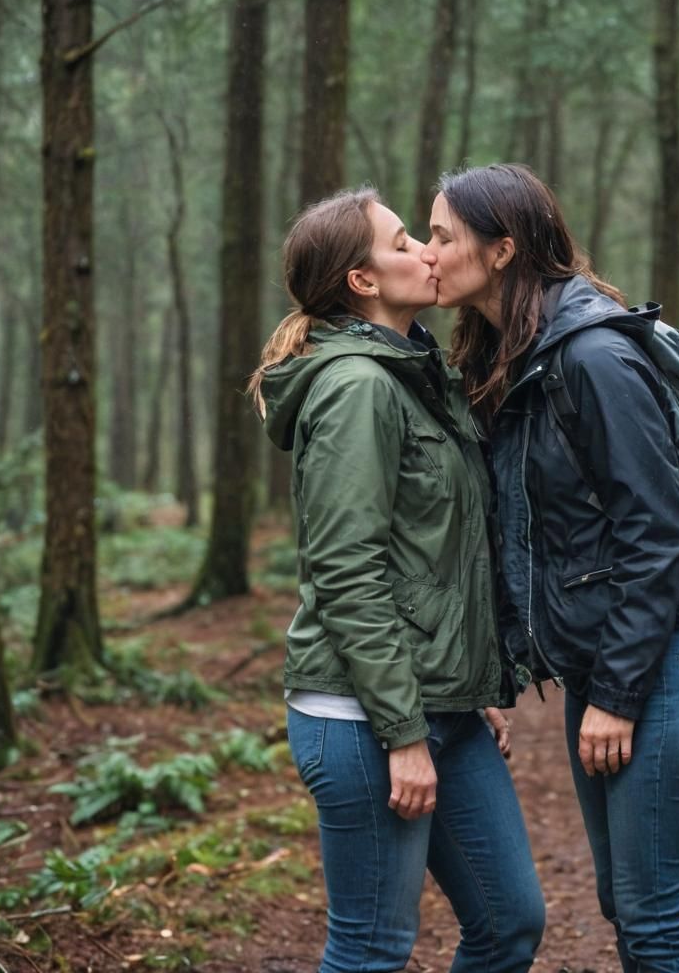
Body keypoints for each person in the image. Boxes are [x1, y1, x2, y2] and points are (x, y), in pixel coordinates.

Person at [422, 164, 679, 972]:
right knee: (624, 906)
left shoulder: (591, 355)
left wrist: (621, 696)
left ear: (501, 251)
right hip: (604, 671)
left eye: (443, 235)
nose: (428, 253)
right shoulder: (511, 357)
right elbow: (522, 539)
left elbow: (658, 534)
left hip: (660, 669)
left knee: (653, 918)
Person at [250, 187, 545, 973]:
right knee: (373, 946)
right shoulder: (358, 389)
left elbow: (437, 553)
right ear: (363, 282)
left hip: (436, 702)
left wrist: (468, 675)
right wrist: (404, 734)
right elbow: (348, 574)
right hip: (362, 717)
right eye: (404, 239)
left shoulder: (415, 374)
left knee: (509, 922)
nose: (427, 249)